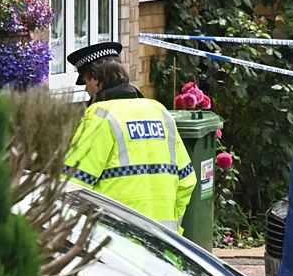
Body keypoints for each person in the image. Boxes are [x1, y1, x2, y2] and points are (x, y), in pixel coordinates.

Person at [60, 41, 194, 230]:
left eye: (86, 81)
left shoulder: (100, 115)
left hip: (116, 239)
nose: (86, 90)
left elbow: (73, 181)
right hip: (164, 240)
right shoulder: (159, 111)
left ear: (96, 78)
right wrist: (173, 221)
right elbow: (187, 180)